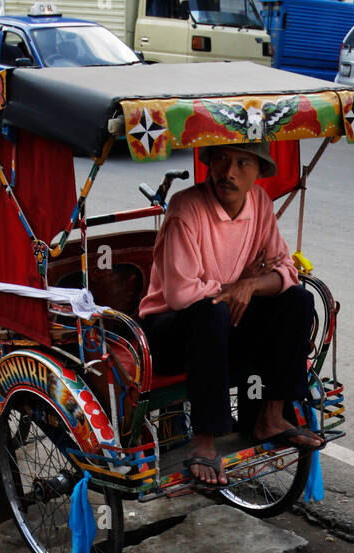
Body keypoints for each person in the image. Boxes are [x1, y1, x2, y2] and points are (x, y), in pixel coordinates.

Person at [138, 141, 324, 485]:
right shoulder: (186, 209)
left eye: (242, 163)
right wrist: (238, 284)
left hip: (224, 321)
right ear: (210, 163)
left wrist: (250, 287)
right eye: (221, 159)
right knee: (210, 313)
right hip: (168, 333)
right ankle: (205, 442)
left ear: (258, 172)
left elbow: (285, 269)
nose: (229, 172)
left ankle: (271, 416)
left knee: (297, 300)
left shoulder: (260, 204)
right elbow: (181, 294)